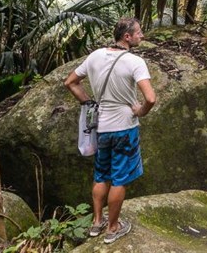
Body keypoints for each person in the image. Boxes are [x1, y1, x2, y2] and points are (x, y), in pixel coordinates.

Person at [64, 18, 155, 244]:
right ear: (127, 37)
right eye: (138, 33)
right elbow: (151, 98)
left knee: (101, 174)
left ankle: (97, 222)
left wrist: (88, 102)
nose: (141, 36)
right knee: (120, 179)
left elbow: (70, 82)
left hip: (102, 128)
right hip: (125, 127)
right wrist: (140, 111)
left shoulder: (94, 56)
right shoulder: (135, 62)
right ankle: (113, 228)